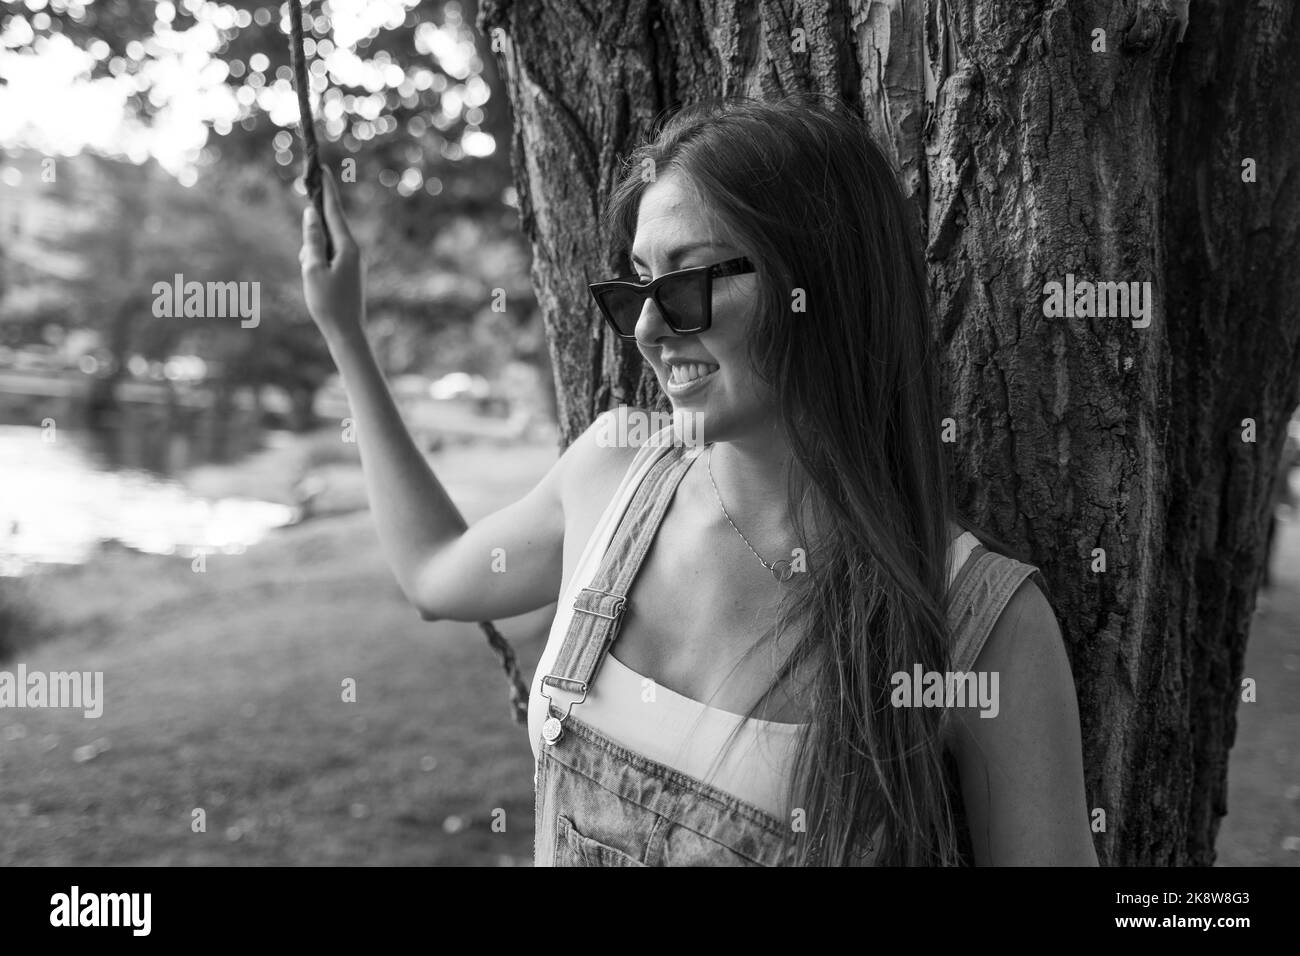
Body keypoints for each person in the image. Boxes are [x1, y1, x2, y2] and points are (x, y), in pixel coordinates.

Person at [299, 94, 1098, 867]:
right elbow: (435, 575)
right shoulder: (611, 477)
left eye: (688, 283)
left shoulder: (975, 625)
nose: (647, 329)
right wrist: (345, 334)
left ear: (818, 283)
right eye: (638, 286)